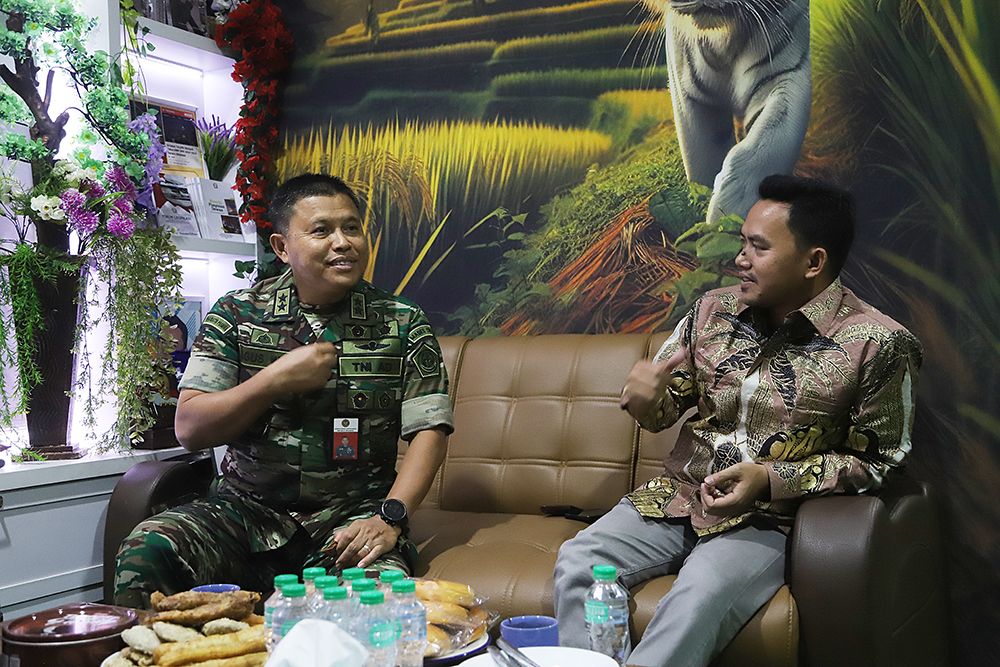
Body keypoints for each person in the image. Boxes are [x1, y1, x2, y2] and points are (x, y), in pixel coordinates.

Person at [552, 175, 922, 667]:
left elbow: (879, 460)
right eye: (742, 242)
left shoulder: (878, 343)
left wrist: (769, 479)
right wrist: (644, 399)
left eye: (758, 247)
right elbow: (661, 411)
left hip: (766, 520)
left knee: (697, 596)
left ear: (814, 262)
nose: (739, 259)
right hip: (678, 498)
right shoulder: (711, 311)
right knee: (578, 560)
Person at [114, 174, 454, 608]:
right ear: (281, 247)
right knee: (149, 548)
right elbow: (191, 428)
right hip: (245, 515)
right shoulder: (237, 314)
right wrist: (273, 380)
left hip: (350, 523)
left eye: (352, 228)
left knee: (379, 600)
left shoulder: (402, 322)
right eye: (321, 230)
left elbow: (430, 431)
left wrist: (390, 518)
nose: (343, 242)